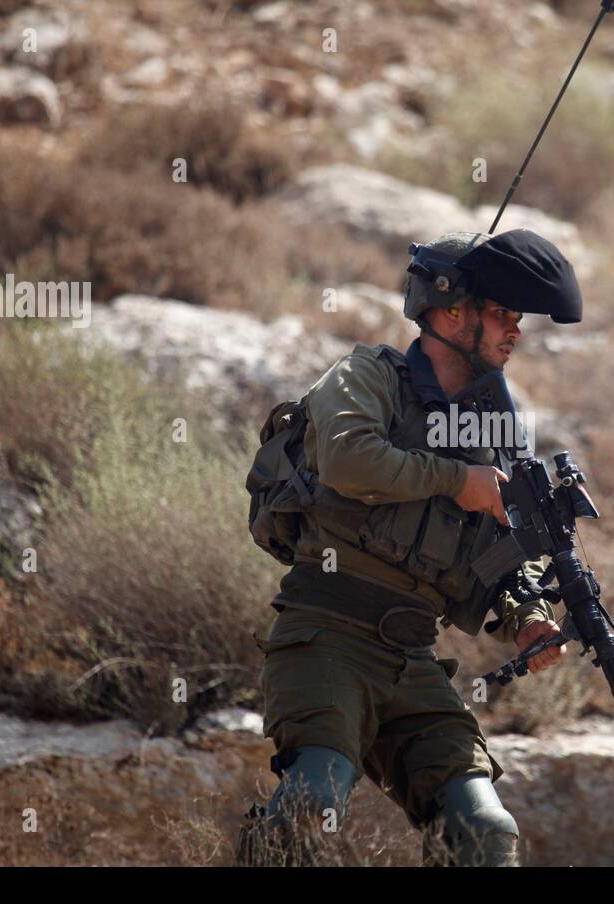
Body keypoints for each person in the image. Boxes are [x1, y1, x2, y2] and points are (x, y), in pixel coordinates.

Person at [245, 228, 584, 866]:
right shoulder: (368, 376)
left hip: (413, 657)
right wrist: (460, 482)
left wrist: (527, 616)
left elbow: (504, 550)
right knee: (314, 798)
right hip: (327, 635)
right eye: (502, 314)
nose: (516, 331)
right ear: (451, 311)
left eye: (518, 318)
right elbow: (349, 459)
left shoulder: (493, 430)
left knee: (484, 831)